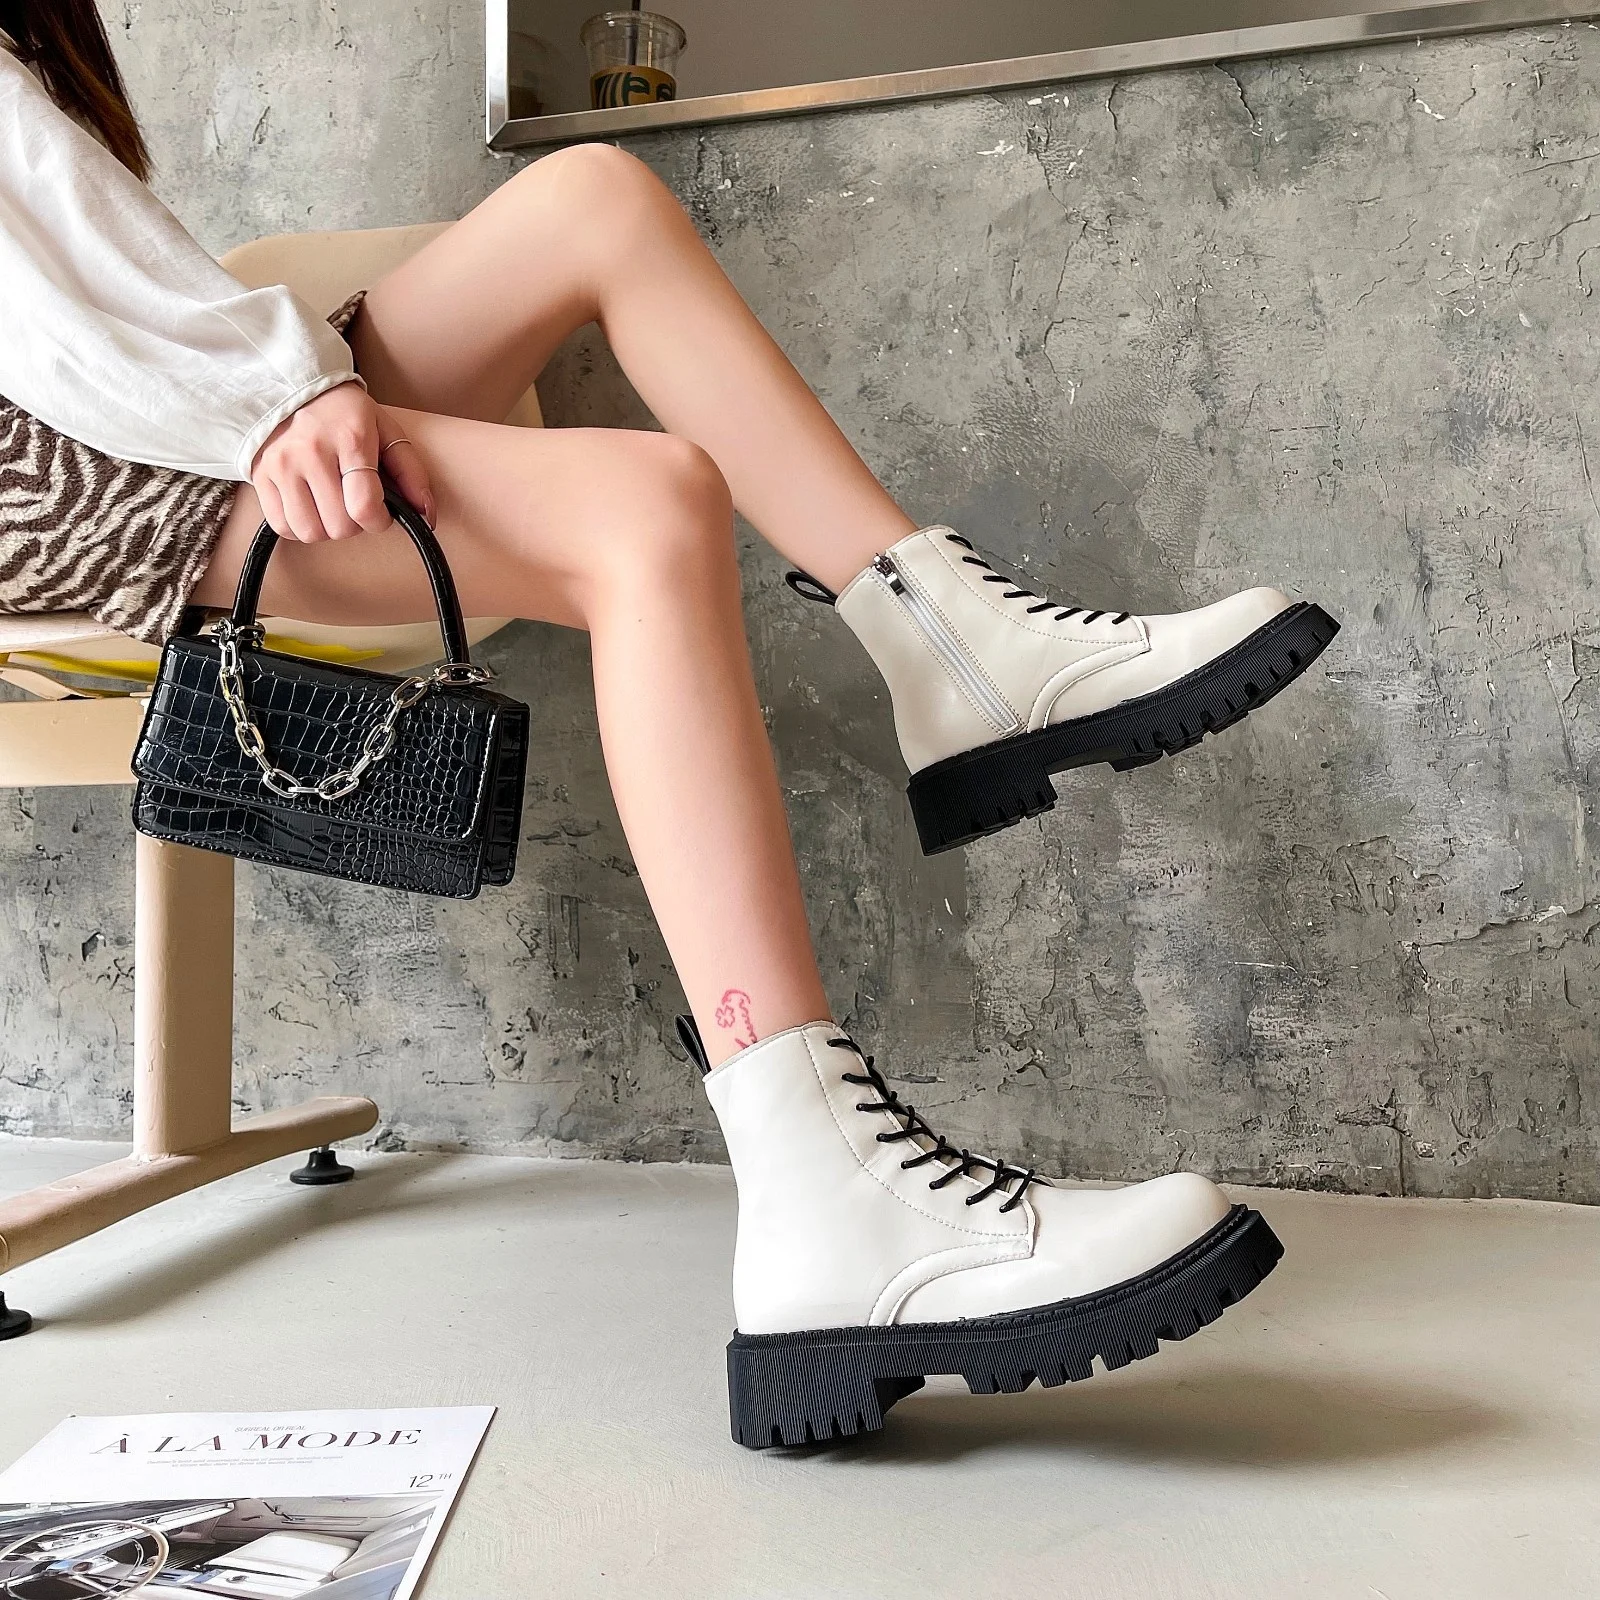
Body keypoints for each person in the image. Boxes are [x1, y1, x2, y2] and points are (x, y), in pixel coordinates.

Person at [0, 2, 1337, 1447]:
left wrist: (270, 385)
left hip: (126, 407)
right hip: (58, 473)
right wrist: (273, 400)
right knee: (645, 508)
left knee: (592, 198)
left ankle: (954, 644)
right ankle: (825, 1197)